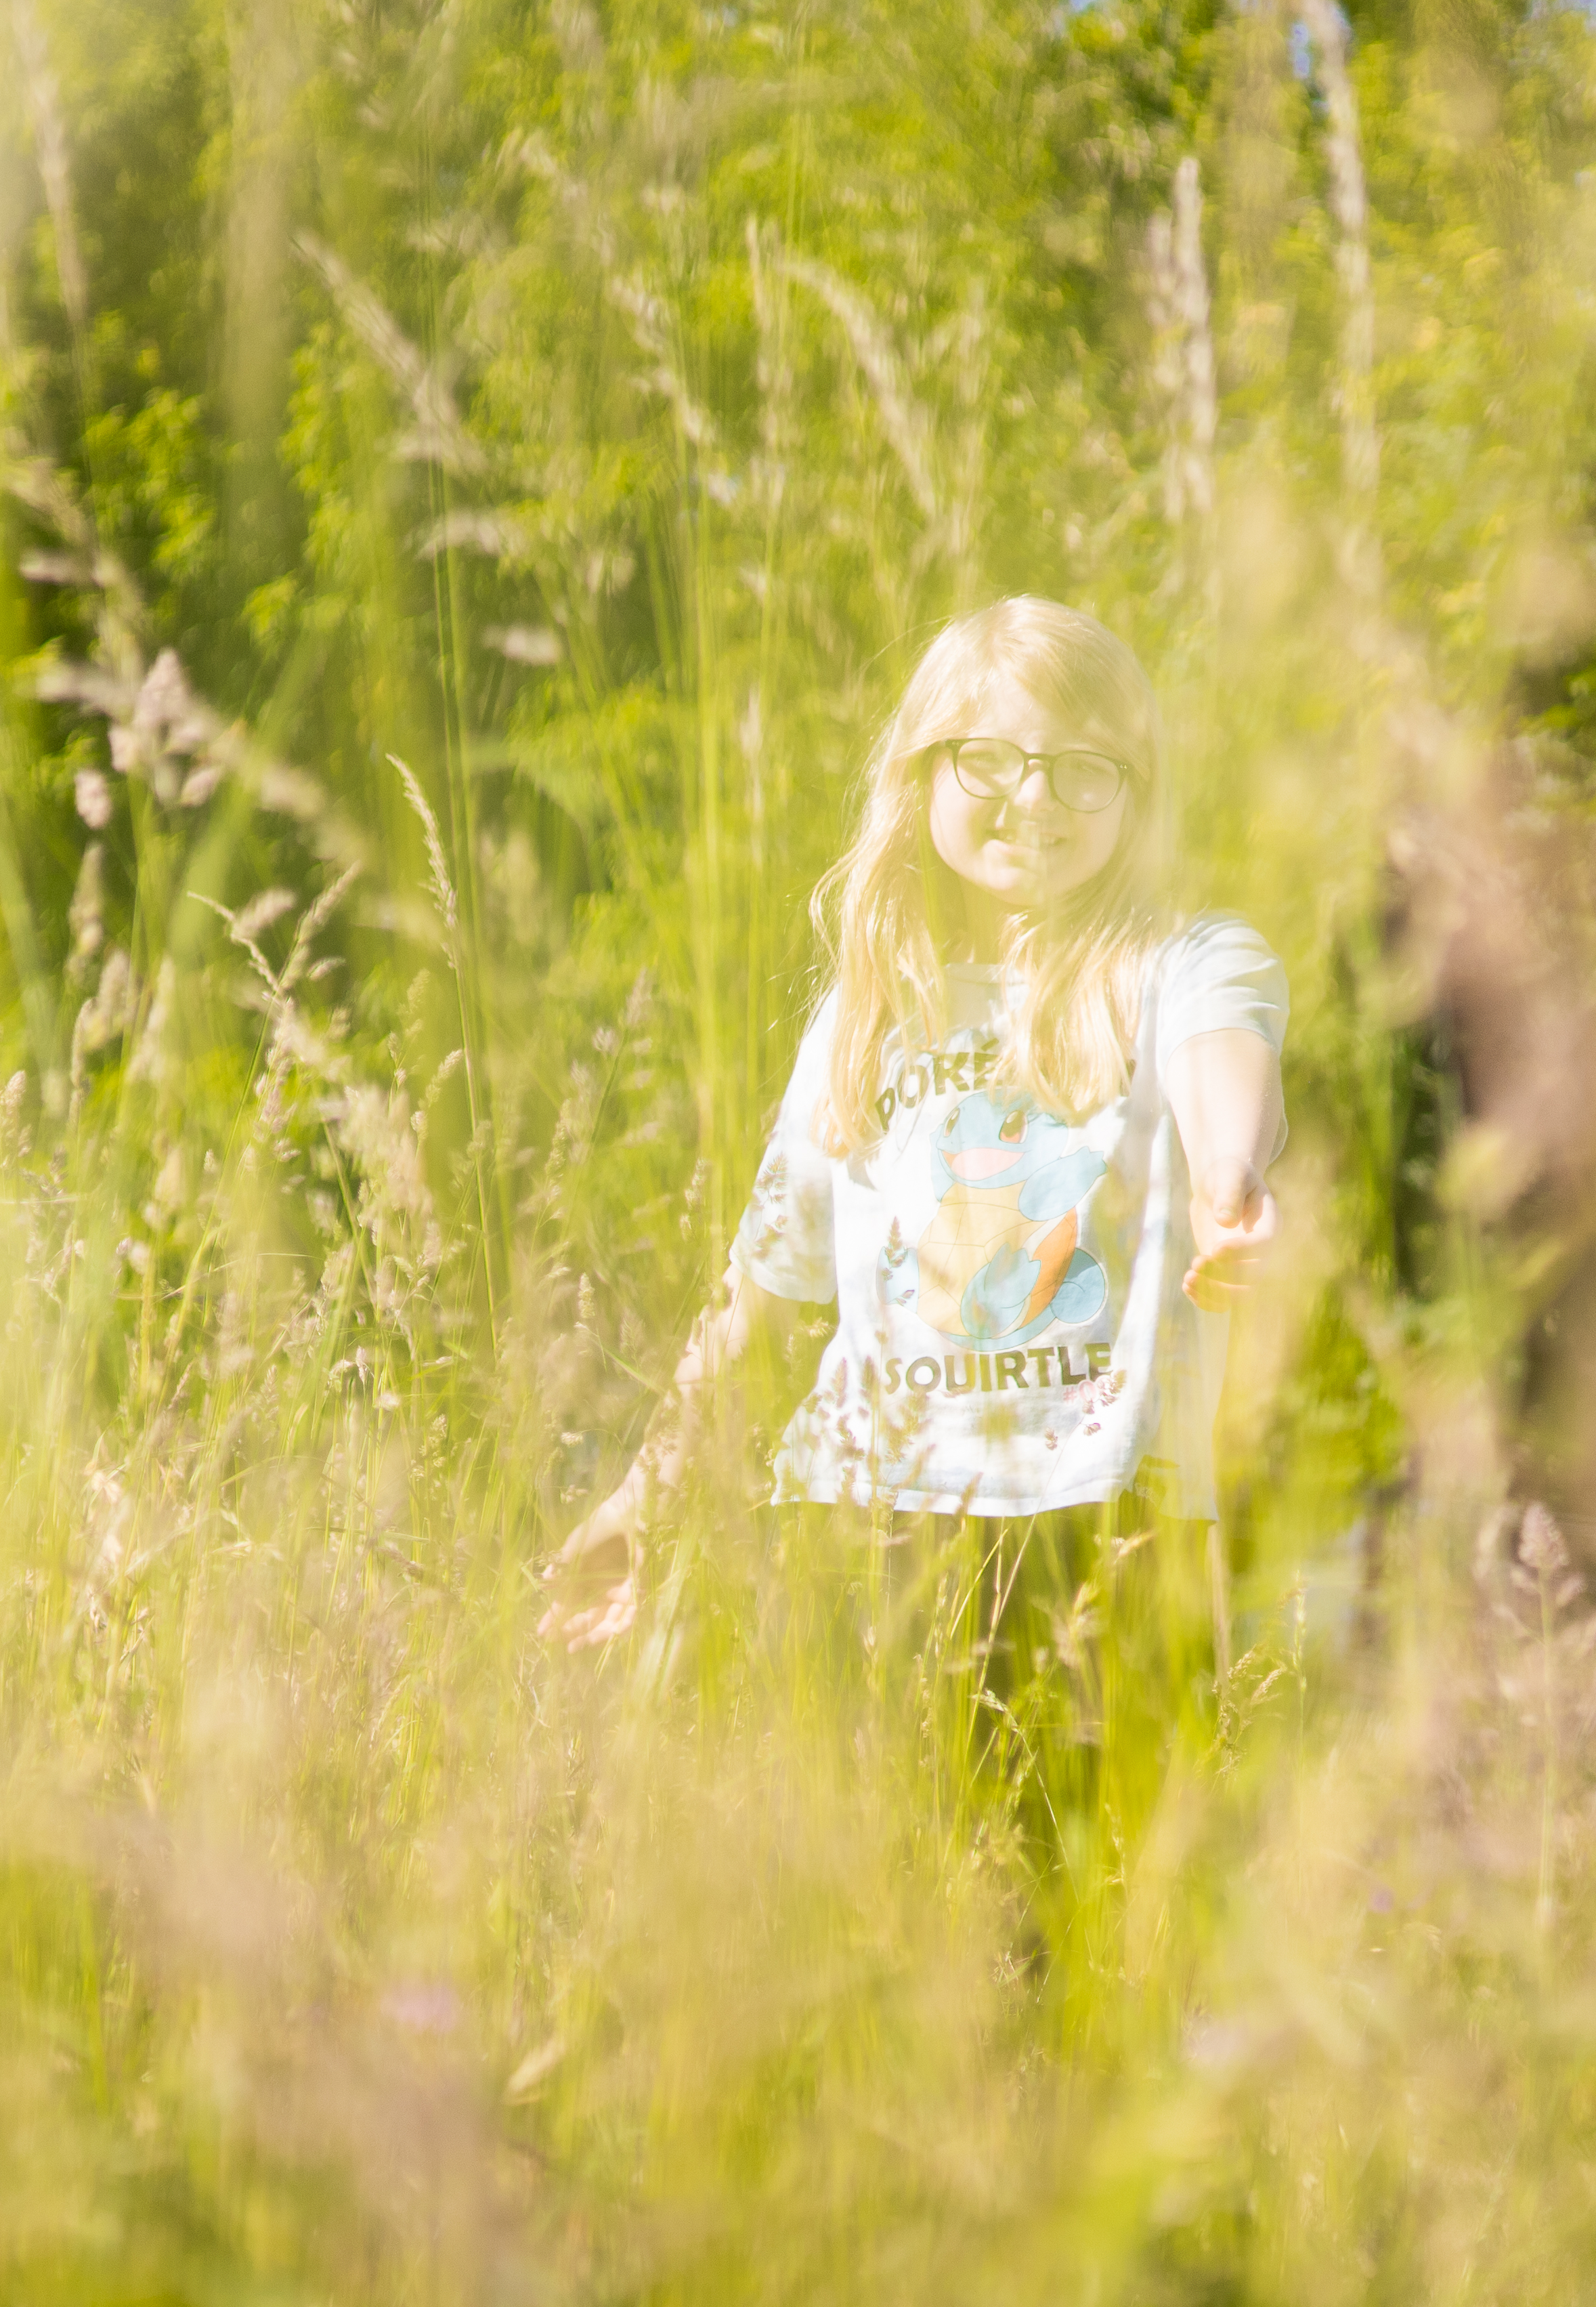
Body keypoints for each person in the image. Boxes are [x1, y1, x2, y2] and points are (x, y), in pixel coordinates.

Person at [542, 597, 1287, 1864]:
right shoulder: (867, 1013)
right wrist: (643, 1490)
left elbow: (1227, 1063)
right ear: (924, 771)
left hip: (1104, 1525)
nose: (1035, 796)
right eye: (992, 758)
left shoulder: (1181, 963)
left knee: (1109, 1930)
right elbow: (758, 1288)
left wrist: (1231, 1177)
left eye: (1085, 767)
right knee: (876, 1927)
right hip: (863, 1530)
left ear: (1137, 793)